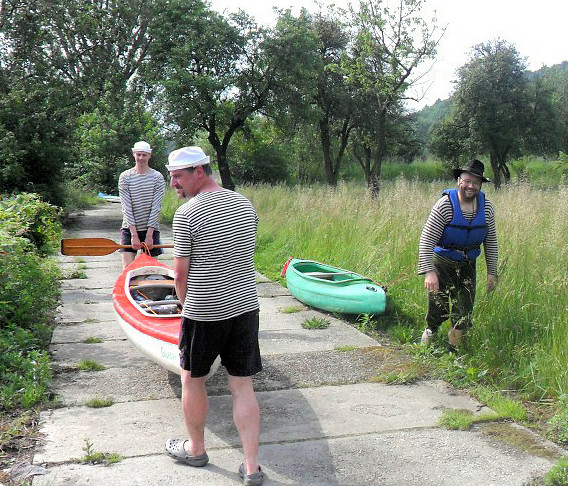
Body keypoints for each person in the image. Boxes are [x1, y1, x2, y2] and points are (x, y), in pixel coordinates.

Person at [163, 146, 264, 486]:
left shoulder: (188, 214)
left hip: (205, 312)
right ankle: (251, 468)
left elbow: (180, 276)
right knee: (242, 386)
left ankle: (196, 450)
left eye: (178, 176)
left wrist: (184, 307)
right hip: (246, 308)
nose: (173, 183)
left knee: (191, 379)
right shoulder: (245, 203)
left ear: (200, 172)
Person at [418, 159, 498, 348]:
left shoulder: (486, 209)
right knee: (438, 309)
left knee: (464, 312)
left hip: (467, 265)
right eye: (467, 181)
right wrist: (429, 272)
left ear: (480, 185)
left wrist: (492, 272)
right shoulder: (445, 205)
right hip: (442, 263)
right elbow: (426, 239)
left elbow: (491, 241)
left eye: (476, 183)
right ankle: (426, 347)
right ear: (459, 181)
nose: (471, 186)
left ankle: (454, 351)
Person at [118, 141, 166, 269]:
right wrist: (134, 234)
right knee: (127, 268)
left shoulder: (157, 177)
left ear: (149, 156)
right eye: (138, 154)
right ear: (133, 154)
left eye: (144, 155)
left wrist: (149, 235)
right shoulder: (125, 177)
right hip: (129, 228)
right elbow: (126, 207)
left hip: (151, 228)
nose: (141, 158)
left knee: (150, 269)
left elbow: (156, 207)